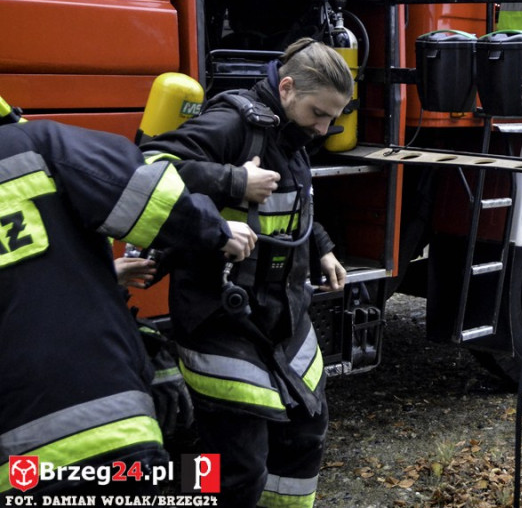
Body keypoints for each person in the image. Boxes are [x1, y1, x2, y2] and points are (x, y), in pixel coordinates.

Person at [141, 37, 352, 507]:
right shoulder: (234, 122)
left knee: (304, 438)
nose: (324, 128)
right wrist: (234, 181)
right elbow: (150, 165)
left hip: (281, 317)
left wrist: (322, 248)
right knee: (237, 467)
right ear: (289, 87)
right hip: (221, 318)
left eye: (332, 118)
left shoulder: (292, 133)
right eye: (319, 113)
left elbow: (296, 203)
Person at [0, 118, 254, 495]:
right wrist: (220, 226)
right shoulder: (31, 143)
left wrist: (103, 273)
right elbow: (148, 193)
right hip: (105, 429)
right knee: (210, 478)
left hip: (16, 469)